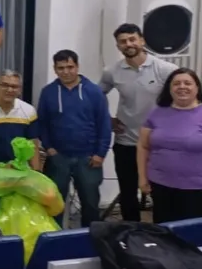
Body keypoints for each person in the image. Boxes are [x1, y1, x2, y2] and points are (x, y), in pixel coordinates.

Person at [100, 23, 176, 221]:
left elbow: (185, 98)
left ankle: (162, 234)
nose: (128, 44)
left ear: (142, 40)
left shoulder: (166, 70)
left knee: (161, 193)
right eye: (123, 41)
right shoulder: (111, 72)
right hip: (126, 142)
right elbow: (96, 97)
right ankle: (132, 234)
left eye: (132, 39)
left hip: (158, 145)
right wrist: (107, 119)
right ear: (118, 46)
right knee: (127, 193)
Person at [37, 50, 111, 227]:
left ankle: (90, 241)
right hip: (58, 158)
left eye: (70, 67)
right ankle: (54, 240)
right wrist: (49, 148)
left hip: (88, 158)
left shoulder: (94, 92)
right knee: (54, 202)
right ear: (55, 69)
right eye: (60, 68)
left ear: (77, 67)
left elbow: (104, 124)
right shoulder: (48, 92)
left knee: (91, 203)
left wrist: (100, 153)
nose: (66, 71)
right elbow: (42, 123)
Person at [138, 68, 202, 223]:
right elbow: (143, 146)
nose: (182, 87)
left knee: (191, 233)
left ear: (197, 88)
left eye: (188, 83)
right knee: (163, 230)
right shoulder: (156, 113)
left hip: (196, 189)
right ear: (169, 88)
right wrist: (142, 178)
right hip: (161, 184)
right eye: (176, 83)